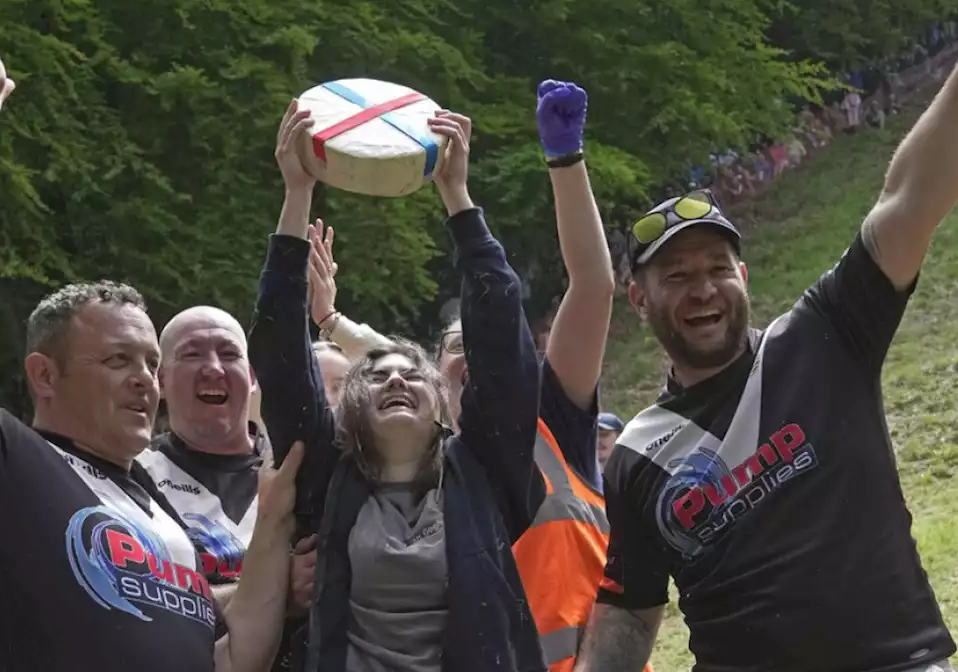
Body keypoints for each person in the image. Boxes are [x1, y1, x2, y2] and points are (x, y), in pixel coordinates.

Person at [576, 1, 958, 669]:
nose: (703, 288)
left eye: (716, 268)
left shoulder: (821, 336)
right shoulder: (637, 455)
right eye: (677, 276)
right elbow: (629, 613)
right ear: (639, 300)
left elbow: (908, 199)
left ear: (743, 274)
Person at [0, 43, 295, 671]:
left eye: (148, 363)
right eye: (118, 361)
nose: (145, 380)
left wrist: (275, 521)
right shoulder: (1, 459)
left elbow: (233, 651)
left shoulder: (158, 508)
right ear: (45, 375)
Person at [307, 81, 623, 672]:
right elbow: (390, 364)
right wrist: (327, 321)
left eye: (480, 341)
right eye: (457, 346)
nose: (474, 350)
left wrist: (565, 160)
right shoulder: (425, 466)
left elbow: (594, 287)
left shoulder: (548, 420)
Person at [253, 100, 545, 671]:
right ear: (351, 408)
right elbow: (279, 351)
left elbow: (505, 348)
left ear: (443, 404)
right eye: (377, 374)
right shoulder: (326, 477)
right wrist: (297, 192)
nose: (393, 377)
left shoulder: (486, 468)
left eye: (413, 372)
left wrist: (458, 197)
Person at [137, 305, 319, 667]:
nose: (214, 368)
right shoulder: (132, 477)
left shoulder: (299, 469)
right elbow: (138, 602)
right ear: (160, 380)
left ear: (252, 377)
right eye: (192, 354)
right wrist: (277, 587)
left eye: (229, 353)